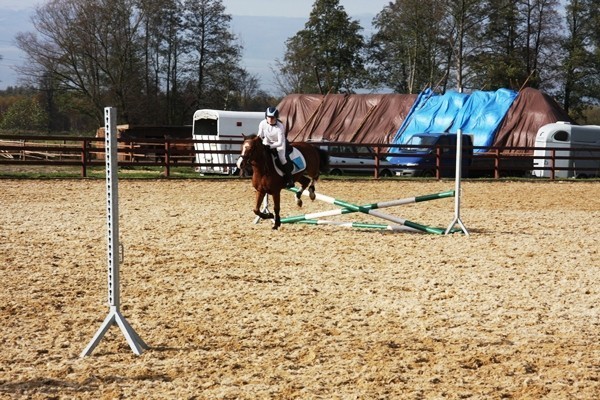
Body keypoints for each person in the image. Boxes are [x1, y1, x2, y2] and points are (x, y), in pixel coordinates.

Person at [257, 106, 295, 188]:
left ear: (276, 117)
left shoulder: (280, 126)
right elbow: (259, 136)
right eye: (269, 117)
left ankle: (289, 179)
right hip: (267, 141)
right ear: (266, 117)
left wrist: (269, 146)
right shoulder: (262, 123)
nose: (270, 119)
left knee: (282, 158)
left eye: (272, 117)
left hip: (279, 144)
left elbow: (280, 142)